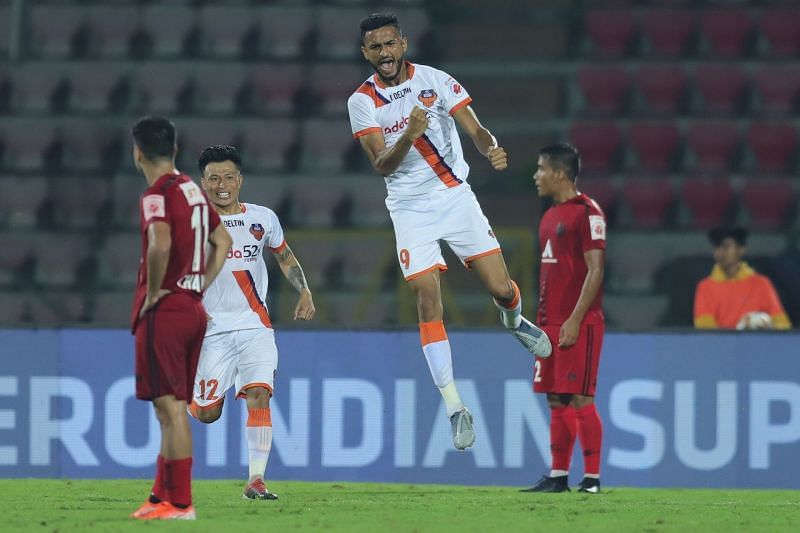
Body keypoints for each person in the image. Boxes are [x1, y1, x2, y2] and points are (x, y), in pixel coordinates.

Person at [347, 12, 552, 452]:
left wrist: (491, 148)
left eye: (390, 44)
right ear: (365, 53)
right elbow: (382, 164)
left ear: (403, 43)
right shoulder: (361, 102)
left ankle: (513, 319)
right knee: (427, 297)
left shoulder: (436, 80)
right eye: (374, 47)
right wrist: (410, 135)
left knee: (501, 289)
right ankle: (456, 406)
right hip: (409, 209)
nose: (384, 54)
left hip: (455, 198)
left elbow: (475, 128)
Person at [188, 145, 315, 500]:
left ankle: (255, 480)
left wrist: (304, 291)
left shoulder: (263, 218)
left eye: (228, 177)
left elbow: (285, 257)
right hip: (212, 331)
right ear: (204, 183)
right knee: (208, 413)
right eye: (214, 178)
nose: (222, 184)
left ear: (240, 180)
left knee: (259, 394)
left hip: (256, 326)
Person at [129, 117, 232, 520]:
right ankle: (160, 496)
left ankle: (182, 503)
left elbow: (159, 242)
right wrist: (199, 285)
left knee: (170, 408)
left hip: (167, 309)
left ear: (137, 152)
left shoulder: (155, 195)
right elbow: (221, 241)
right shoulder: (192, 189)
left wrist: (155, 291)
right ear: (173, 149)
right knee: (167, 407)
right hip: (192, 308)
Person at [522, 144, 606, 494]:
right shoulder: (548, 216)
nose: (536, 175)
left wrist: (574, 319)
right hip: (549, 324)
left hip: (579, 322)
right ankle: (558, 476)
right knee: (555, 398)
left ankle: (592, 479)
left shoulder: (588, 212)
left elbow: (596, 270)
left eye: (541, 169)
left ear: (558, 173)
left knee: (580, 397)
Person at [694, 226, 791, 330]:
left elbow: (782, 324)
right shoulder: (705, 287)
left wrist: (765, 325)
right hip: (722, 346)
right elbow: (705, 331)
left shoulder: (761, 284)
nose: (721, 252)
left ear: (741, 250)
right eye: (717, 247)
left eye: (726, 247)